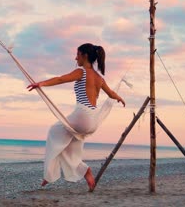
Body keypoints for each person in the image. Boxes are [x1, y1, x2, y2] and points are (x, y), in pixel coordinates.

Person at [27, 43, 125, 191]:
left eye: (77, 54)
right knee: (71, 144)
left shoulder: (81, 72)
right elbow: (111, 93)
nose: (75, 58)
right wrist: (120, 98)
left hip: (82, 115)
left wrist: (41, 84)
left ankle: (49, 175)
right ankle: (84, 170)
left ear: (84, 56)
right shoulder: (99, 78)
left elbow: (61, 79)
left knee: (53, 133)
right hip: (93, 121)